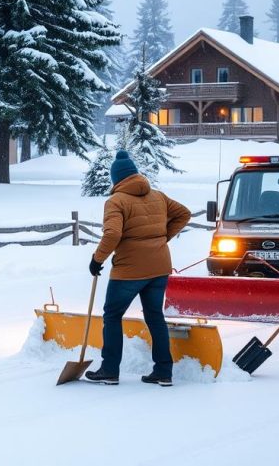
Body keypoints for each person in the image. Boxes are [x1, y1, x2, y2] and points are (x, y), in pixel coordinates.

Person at [84, 150, 191, 386]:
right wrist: (161, 239)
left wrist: (97, 259)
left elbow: (112, 234)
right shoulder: (158, 196)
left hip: (129, 270)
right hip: (159, 267)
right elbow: (184, 214)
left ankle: (110, 370)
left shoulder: (116, 201)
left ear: (117, 179)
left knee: (112, 315)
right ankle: (164, 371)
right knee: (155, 317)